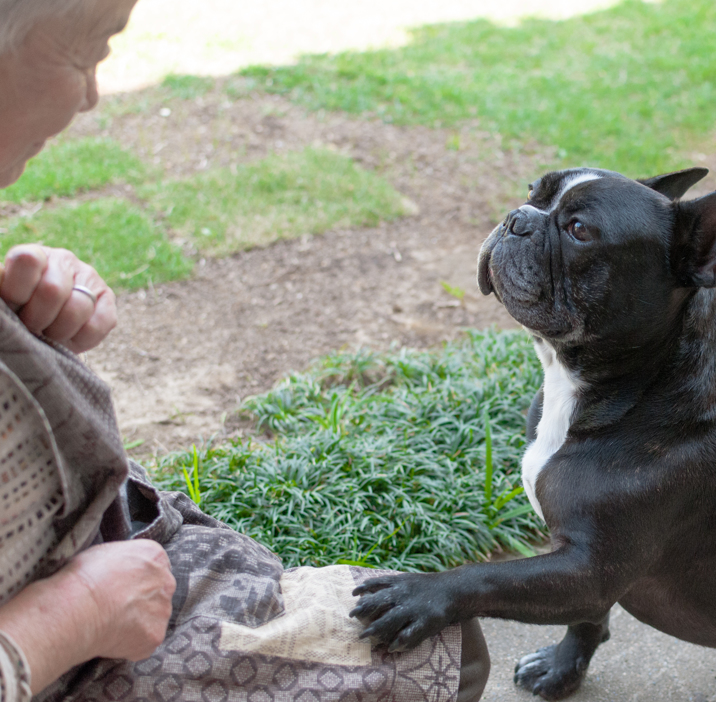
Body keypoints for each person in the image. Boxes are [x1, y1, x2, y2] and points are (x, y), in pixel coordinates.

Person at [0, 2, 489, 701]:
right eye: (85, 54)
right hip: (68, 642)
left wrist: (34, 316)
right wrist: (65, 621)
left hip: (110, 551)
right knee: (435, 644)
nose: (91, 94)